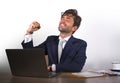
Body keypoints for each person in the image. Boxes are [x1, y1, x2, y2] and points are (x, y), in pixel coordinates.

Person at [21, 9, 87, 72]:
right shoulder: (50, 40)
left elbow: (77, 66)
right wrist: (29, 32)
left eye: (67, 19)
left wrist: (51, 68)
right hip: (51, 79)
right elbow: (31, 54)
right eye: (62, 18)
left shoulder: (80, 44)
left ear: (74, 28)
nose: (62, 21)